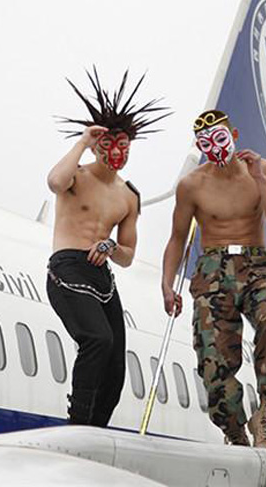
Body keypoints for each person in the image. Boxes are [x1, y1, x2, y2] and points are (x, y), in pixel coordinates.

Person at [161, 110, 266, 448]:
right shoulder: (192, 185)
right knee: (213, 361)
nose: (215, 149)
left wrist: (260, 181)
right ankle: (233, 428)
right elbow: (178, 238)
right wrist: (167, 283)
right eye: (206, 145)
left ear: (233, 135)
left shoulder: (263, 171)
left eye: (220, 139)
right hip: (212, 268)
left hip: (256, 262)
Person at [46, 67, 169, 426]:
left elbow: (129, 255)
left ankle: (97, 426)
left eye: (123, 146)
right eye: (108, 144)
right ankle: (79, 421)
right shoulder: (76, 178)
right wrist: (83, 141)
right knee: (97, 338)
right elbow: (54, 181)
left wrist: (111, 247)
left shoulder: (128, 196)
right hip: (67, 267)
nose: (116, 153)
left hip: (101, 273)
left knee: (116, 359)